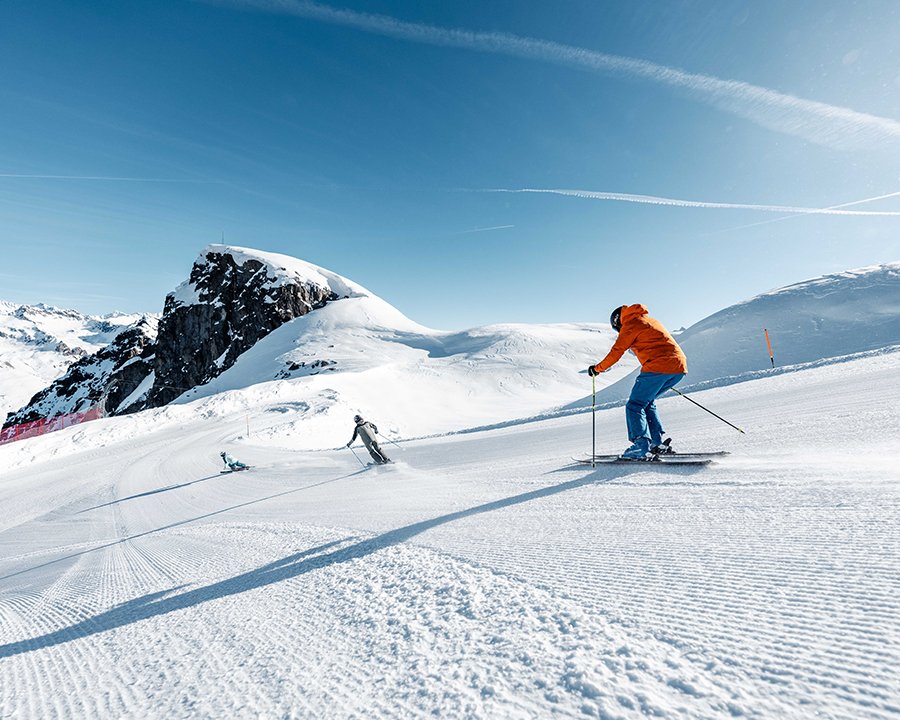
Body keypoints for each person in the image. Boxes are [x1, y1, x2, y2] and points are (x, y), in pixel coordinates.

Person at [588, 304, 687, 459]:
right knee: (647, 402)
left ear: (618, 322)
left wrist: (597, 369)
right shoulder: (651, 321)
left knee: (634, 405)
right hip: (678, 367)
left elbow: (616, 352)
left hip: (658, 367)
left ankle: (641, 446)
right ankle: (657, 444)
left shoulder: (630, 325)